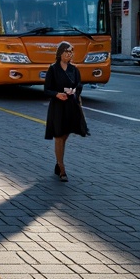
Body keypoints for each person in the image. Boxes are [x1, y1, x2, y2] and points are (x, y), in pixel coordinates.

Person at [43, 41, 88, 182]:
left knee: (65, 135)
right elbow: (46, 89)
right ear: (60, 53)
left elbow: (79, 85)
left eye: (71, 52)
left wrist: (74, 90)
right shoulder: (53, 69)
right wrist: (57, 94)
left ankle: (58, 162)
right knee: (59, 136)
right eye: (67, 52)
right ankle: (62, 168)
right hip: (58, 106)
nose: (69, 54)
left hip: (71, 106)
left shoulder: (74, 69)